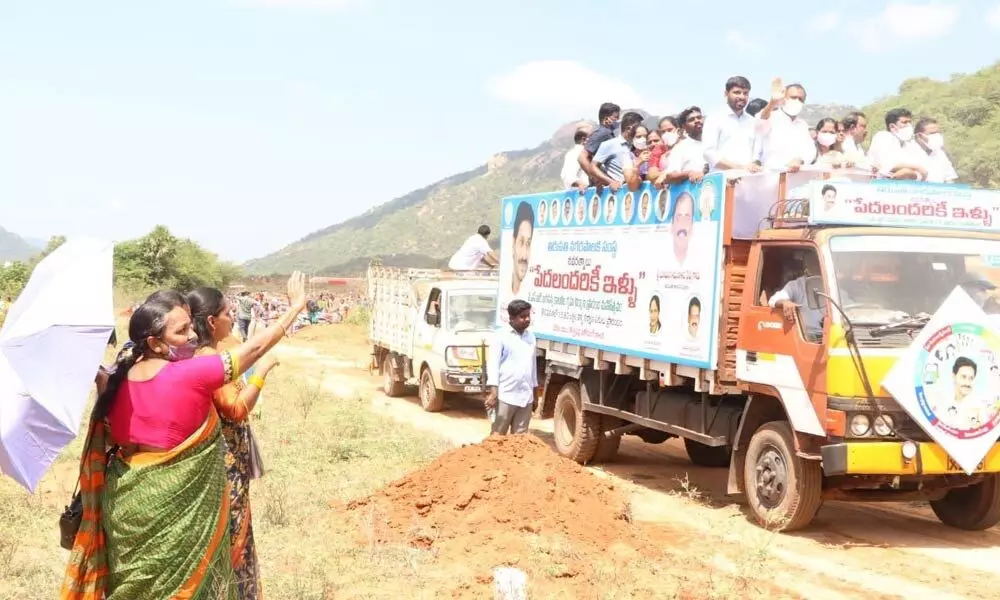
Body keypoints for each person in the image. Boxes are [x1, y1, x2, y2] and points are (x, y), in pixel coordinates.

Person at [62, 273, 308, 599]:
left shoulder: (115, 380)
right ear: (154, 342)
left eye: (191, 325)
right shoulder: (189, 375)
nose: (193, 335)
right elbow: (256, 347)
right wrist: (295, 309)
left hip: (126, 508)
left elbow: (114, 438)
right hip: (175, 511)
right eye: (181, 331)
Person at [188, 287, 279, 600]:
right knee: (234, 528)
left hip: (219, 457)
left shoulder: (197, 354)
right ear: (212, 321)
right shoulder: (209, 358)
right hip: (225, 460)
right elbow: (236, 409)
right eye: (228, 313)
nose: (233, 318)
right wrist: (261, 374)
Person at [485, 300, 539, 435]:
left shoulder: (531, 336)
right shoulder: (500, 336)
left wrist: (535, 395)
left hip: (525, 397)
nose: (527, 319)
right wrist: (493, 392)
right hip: (505, 395)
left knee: (519, 440)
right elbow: (493, 365)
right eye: (523, 316)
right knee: (498, 436)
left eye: (528, 316)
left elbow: (533, 368)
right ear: (511, 318)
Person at [702, 76, 762, 172]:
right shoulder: (715, 118)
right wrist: (738, 168)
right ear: (726, 93)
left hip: (748, 180)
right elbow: (708, 153)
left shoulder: (752, 121)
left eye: (745, 93)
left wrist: (754, 165)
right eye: (737, 92)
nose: (742, 97)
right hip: (722, 180)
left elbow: (757, 154)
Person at [756, 80, 817, 172]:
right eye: (793, 97)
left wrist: (800, 160)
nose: (797, 101)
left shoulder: (802, 125)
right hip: (771, 176)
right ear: (783, 98)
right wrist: (772, 103)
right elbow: (761, 123)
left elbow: (810, 150)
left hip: (796, 179)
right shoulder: (772, 117)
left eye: (800, 99)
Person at [868, 108, 928, 180]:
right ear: (892, 126)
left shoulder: (908, 144)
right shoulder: (883, 137)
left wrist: (912, 172)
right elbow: (889, 166)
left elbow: (923, 172)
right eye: (905, 122)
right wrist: (916, 168)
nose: (909, 126)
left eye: (910, 122)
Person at [592, 111, 644, 192]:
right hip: (619, 194)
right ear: (628, 129)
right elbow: (593, 167)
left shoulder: (636, 146)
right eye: (638, 128)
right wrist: (610, 182)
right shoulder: (610, 144)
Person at [578, 102, 621, 186]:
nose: (617, 120)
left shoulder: (609, 134)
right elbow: (582, 157)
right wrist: (596, 177)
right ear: (606, 119)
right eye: (615, 117)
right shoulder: (601, 133)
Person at [914, 117, 958, 183]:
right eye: (932, 133)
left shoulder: (940, 154)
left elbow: (949, 179)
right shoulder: (911, 154)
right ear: (919, 136)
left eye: (938, 133)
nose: (936, 136)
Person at [509, 202, 534, 297]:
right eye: (521, 242)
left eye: (528, 243)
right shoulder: (505, 292)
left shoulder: (528, 295)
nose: (524, 256)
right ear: (513, 244)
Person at [669, 191, 695, 268]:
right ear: (671, 226)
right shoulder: (660, 259)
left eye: (687, 218)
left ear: (692, 226)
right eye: (678, 217)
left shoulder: (698, 261)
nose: (682, 224)